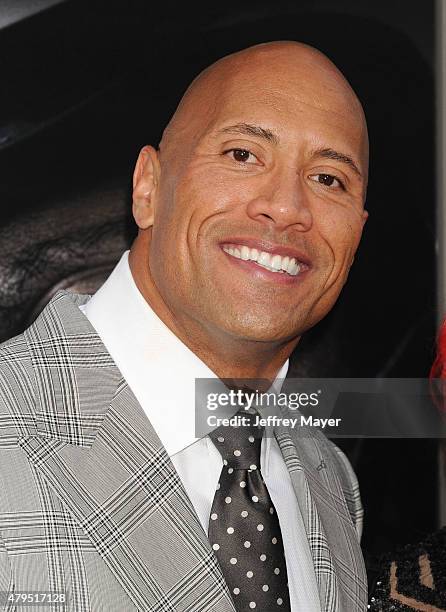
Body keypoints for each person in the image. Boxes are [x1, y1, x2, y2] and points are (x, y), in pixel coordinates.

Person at [0, 41, 369, 611]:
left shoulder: (331, 480)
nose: (288, 206)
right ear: (148, 185)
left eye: (328, 179)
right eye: (243, 154)